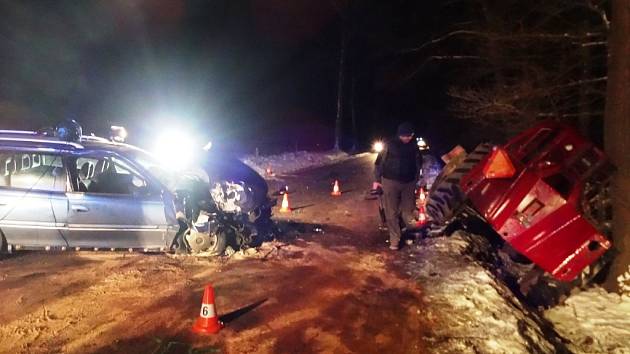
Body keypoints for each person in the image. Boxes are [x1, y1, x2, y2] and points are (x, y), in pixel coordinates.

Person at [373, 122, 422, 250]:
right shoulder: (389, 145)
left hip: (409, 183)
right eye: (405, 136)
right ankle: (395, 239)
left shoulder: (414, 146)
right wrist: (377, 180)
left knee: (408, 211)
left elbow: (418, 163)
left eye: (410, 135)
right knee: (391, 211)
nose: (408, 138)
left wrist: (417, 178)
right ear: (399, 135)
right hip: (390, 182)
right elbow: (378, 163)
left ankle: (408, 231)